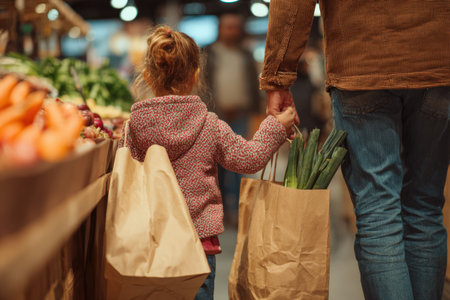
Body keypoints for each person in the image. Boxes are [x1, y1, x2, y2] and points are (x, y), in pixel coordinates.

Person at [260, 1, 450, 299]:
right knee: (425, 208)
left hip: (362, 58)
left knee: (379, 213)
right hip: (438, 59)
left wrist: (278, 77)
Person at [120, 26, 295, 300]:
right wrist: (276, 126)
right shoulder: (209, 125)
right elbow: (249, 158)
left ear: (146, 76)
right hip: (198, 249)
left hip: (149, 244)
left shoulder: (135, 127)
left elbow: (125, 179)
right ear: (196, 75)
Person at [204, 13, 261, 227]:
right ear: (220, 28)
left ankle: (237, 210)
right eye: (228, 27)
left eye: (236, 27)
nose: (232, 31)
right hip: (215, 117)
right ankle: (219, 210)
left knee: (240, 164)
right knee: (216, 166)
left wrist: (256, 110)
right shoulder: (208, 53)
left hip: (240, 116)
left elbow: (253, 84)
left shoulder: (246, 54)